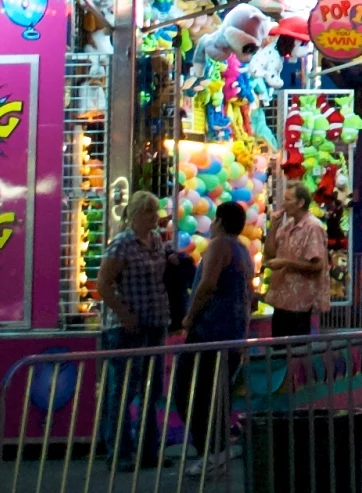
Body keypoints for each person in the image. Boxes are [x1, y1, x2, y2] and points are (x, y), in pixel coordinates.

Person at [176, 203, 256, 476]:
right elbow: (248, 297)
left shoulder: (219, 246)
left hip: (209, 333)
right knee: (217, 396)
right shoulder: (243, 250)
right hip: (232, 334)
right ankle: (218, 449)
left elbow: (207, 284)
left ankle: (209, 451)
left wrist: (189, 317)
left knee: (190, 394)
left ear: (219, 221)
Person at [95, 191, 172, 469]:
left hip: (154, 322)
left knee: (152, 390)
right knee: (124, 390)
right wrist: (124, 314)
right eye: (149, 212)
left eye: (155, 211)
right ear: (136, 214)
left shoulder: (156, 242)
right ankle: (119, 451)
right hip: (128, 327)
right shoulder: (122, 244)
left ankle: (149, 449)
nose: (155, 217)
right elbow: (103, 283)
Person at [262, 183, 329, 338]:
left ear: (300, 203)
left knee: (296, 352)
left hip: (300, 301)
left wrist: (285, 263)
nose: (283, 203)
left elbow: (317, 265)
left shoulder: (313, 226)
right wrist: (274, 226)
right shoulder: (287, 226)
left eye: (288, 199)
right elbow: (270, 252)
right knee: (278, 348)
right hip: (281, 298)